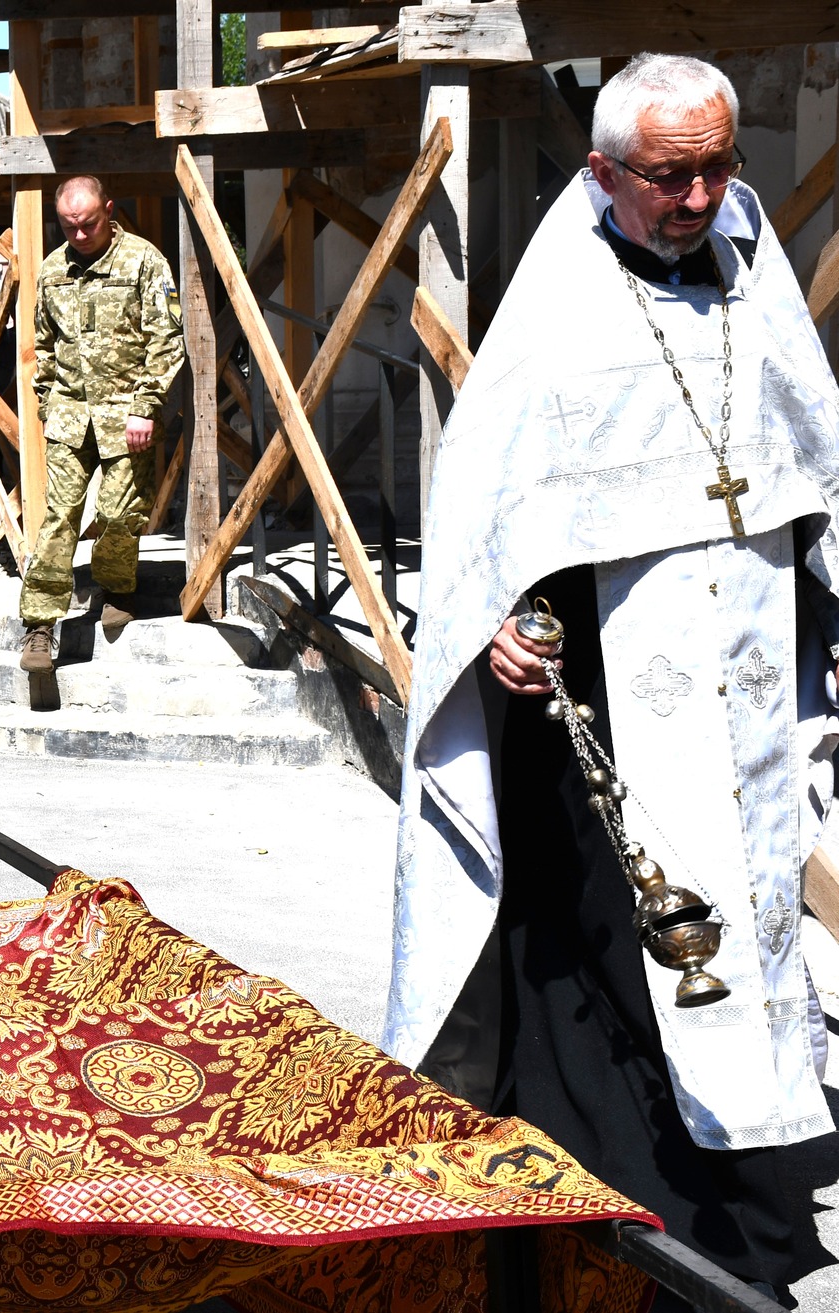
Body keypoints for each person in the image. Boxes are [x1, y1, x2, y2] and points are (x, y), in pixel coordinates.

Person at [388, 55, 835, 1303]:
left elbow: (814, 457)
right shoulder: (560, 304)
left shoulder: (753, 275)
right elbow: (494, 505)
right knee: (615, 938)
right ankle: (630, 1205)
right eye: (668, 176)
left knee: (751, 919)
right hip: (605, 690)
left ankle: (743, 1183)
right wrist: (501, 620)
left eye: (716, 168)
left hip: (748, 671)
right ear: (601, 171)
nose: (696, 198)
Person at [17, 175, 184, 673]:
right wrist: (47, 403)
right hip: (69, 418)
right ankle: (39, 626)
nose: (79, 234)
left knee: (118, 514)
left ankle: (117, 587)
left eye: (88, 224)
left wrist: (146, 406)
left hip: (126, 417)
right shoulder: (53, 269)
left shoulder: (143, 261)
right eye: (68, 226)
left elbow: (166, 338)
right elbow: (43, 344)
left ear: (109, 210)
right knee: (59, 517)